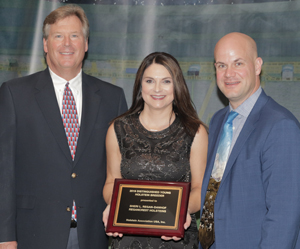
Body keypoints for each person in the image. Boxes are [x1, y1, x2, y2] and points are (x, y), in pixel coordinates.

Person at [0, 4, 127, 249]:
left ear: (86, 43)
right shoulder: (14, 94)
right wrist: (4, 236)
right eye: (58, 36)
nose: (67, 44)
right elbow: (3, 171)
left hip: (95, 234)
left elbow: (122, 168)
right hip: (33, 233)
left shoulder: (113, 98)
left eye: (74, 36)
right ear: (46, 44)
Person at [198, 32, 300, 249]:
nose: (229, 73)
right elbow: (215, 191)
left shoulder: (280, 126)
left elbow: (284, 216)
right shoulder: (218, 121)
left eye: (238, 63)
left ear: (257, 65)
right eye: (221, 65)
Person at [102, 52, 208, 248]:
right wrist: (115, 206)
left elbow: (200, 189)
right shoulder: (118, 128)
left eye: (166, 81)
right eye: (150, 81)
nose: (157, 89)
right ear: (140, 85)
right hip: (128, 238)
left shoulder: (195, 132)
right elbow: (111, 182)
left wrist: (181, 211)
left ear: (177, 86)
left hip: (178, 238)